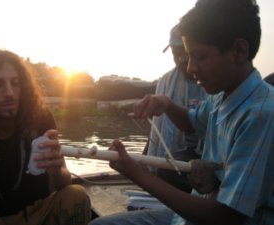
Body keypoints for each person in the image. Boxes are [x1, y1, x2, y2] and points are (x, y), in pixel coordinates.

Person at [90, 0, 274, 224]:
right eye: (188, 56)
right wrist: (166, 104)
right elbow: (192, 122)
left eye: (200, 56)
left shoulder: (261, 115)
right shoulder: (220, 97)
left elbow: (225, 215)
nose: (190, 68)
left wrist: (138, 174)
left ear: (239, 50)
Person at [0, 48, 91, 225]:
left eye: (15, 83)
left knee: (76, 195)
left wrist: (58, 170)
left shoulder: (41, 118)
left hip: (40, 212)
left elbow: (64, 182)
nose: (9, 93)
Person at [144, 24, 207, 192]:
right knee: (156, 163)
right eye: (175, 53)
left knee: (167, 171)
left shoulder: (213, 81)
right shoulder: (166, 81)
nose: (181, 59)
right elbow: (159, 127)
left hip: (204, 153)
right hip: (176, 152)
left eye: (185, 52)